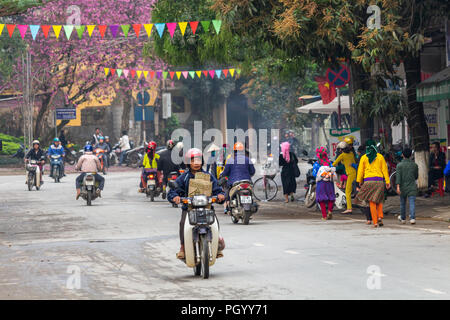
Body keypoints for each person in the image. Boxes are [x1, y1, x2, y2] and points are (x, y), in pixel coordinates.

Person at [168, 148, 226, 260]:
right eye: (193, 161)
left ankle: (216, 245)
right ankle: (183, 248)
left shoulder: (208, 176)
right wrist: (175, 197)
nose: (196, 163)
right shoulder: (184, 177)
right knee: (182, 223)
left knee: (215, 222)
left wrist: (220, 195)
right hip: (189, 208)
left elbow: (217, 189)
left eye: (198, 160)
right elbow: (173, 190)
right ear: (188, 162)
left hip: (207, 206)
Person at [355, 140, 390, 228]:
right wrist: (387, 181)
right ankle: (380, 216)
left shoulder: (364, 157)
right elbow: (384, 170)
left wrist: (359, 181)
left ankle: (374, 222)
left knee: (371, 202)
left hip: (368, 181)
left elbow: (360, 171)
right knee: (379, 199)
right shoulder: (380, 157)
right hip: (379, 181)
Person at [220, 142, 256, 213]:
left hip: (234, 182)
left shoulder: (230, 160)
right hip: (247, 182)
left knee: (227, 190)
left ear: (234, 150)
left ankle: (227, 205)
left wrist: (223, 175)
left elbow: (225, 172)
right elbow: (252, 171)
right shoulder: (247, 159)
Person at [333, 141, 357, 214]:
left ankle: (349, 208)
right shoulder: (351, 153)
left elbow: (334, 163)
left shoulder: (342, 155)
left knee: (347, 191)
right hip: (354, 173)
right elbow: (352, 162)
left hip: (350, 174)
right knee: (350, 189)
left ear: (341, 149)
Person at [396, 147, 418, 225]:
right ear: (411, 155)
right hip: (412, 186)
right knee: (412, 202)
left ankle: (403, 218)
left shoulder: (399, 165)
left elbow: (398, 177)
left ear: (402, 155)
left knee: (402, 203)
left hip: (402, 187)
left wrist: (398, 187)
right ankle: (412, 218)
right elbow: (416, 176)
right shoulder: (414, 165)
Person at [314, 147, 336, 221]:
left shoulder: (317, 164)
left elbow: (314, 174)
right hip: (330, 183)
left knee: (321, 199)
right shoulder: (330, 163)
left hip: (321, 183)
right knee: (331, 197)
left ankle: (324, 216)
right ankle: (330, 211)